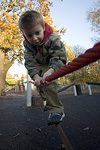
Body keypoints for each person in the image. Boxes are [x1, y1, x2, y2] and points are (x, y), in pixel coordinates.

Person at [18, 10, 67, 125]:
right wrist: (36, 77)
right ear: (24, 34)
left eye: (37, 33)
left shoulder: (53, 38)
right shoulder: (27, 44)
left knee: (48, 83)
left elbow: (59, 56)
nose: (34, 38)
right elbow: (29, 61)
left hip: (52, 63)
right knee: (39, 85)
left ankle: (57, 111)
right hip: (39, 64)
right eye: (29, 35)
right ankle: (48, 101)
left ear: (43, 27)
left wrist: (51, 71)